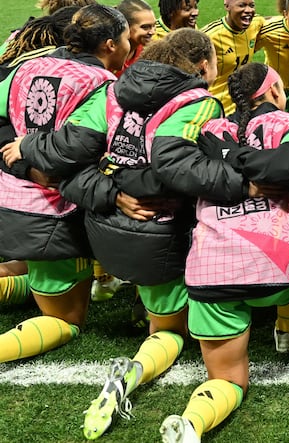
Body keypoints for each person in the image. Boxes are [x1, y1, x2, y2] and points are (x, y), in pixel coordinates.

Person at [2, 28, 232, 439]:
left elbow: (69, 155)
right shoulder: (197, 102)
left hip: (102, 231)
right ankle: (132, 374)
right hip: (157, 235)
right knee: (168, 331)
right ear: (202, 67)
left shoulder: (110, 93)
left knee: (59, 314)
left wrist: (29, 147)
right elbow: (178, 171)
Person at [159, 62, 289, 442]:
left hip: (213, 273)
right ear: (275, 92)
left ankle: (194, 421)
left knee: (227, 379)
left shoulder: (206, 130)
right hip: (279, 274)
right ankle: (285, 328)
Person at [0, 4, 129, 372]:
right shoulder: (101, 85)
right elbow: (80, 148)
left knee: (39, 280)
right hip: (53, 215)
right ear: (108, 44)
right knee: (65, 320)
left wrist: (22, 160)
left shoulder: (25, 68)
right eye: (124, 39)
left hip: (9, 203)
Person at [202, 0, 265, 116]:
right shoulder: (210, 36)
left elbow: (275, 23)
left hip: (243, 105)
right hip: (216, 107)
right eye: (242, 5)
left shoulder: (255, 24)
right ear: (227, 6)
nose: (248, 10)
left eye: (251, 5)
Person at [114, 0, 156, 77]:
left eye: (154, 26)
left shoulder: (148, 53)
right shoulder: (109, 54)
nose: (152, 32)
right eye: (145, 27)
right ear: (126, 27)